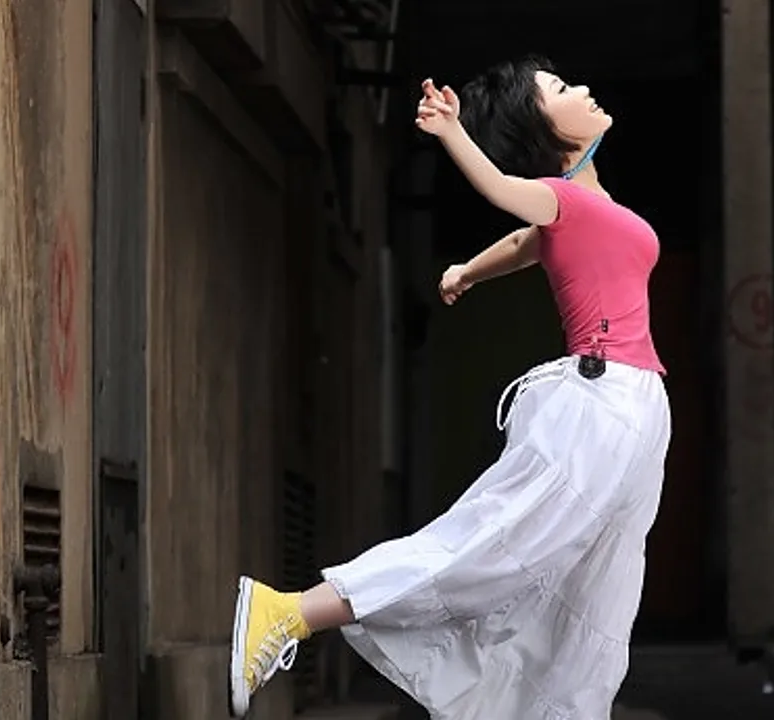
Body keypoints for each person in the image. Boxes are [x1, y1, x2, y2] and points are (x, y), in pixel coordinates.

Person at [229, 56, 671, 720]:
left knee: (594, 596)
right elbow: (502, 192)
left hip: (637, 410)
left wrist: (467, 270)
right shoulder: (562, 197)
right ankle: (290, 612)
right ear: (541, 129)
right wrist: (452, 131)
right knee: (490, 548)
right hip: (601, 401)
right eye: (560, 89)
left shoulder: (585, 206)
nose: (583, 88)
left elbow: (524, 243)